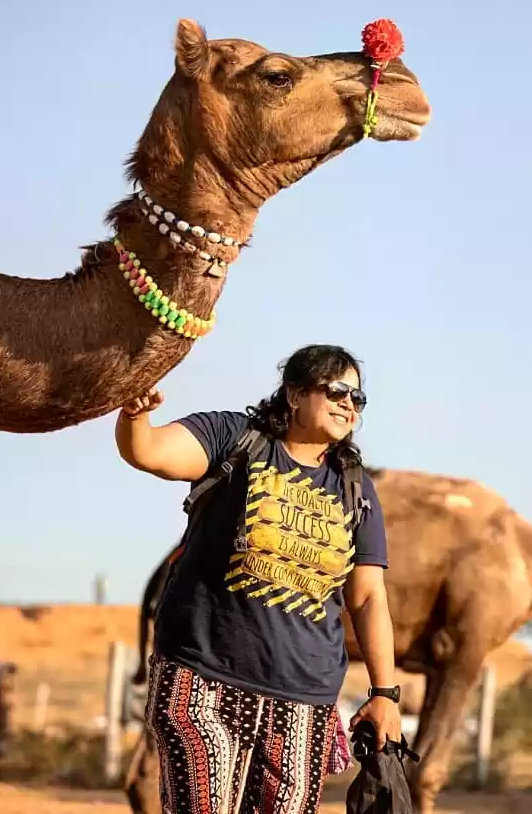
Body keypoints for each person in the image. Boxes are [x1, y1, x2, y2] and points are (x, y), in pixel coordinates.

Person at [115, 344, 401, 814]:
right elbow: (148, 452)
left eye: (358, 397)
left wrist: (385, 694)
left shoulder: (355, 487)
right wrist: (134, 416)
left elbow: (368, 597)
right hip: (202, 680)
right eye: (336, 391)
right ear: (295, 393)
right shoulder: (234, 439)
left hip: (303, 698)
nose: (349, 404)